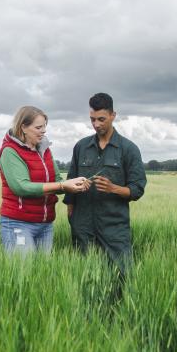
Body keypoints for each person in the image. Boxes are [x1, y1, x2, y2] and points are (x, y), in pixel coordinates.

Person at [64, 93, 147, 299]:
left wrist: (113, 188)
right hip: (83, 224)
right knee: (84, 279)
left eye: (101, 119)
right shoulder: (81, 147)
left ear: (113, 115)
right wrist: (73, 217)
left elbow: (137, 189)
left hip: (114, 226)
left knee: (122, 278)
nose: (96, 124)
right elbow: (70, 184)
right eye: (92, 119)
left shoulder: (128, 149)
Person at [0, 106, 89, 254]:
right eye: (38, 127)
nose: (44, 131)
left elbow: (57, 179)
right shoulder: (10, 151)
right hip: (19, 223)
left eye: (45, 126)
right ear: (24, 127)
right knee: (24, 273)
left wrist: (74, 184)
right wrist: (62, 185)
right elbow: (21, 187)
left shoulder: (44, 149)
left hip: (45, 224)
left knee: (42, 273)